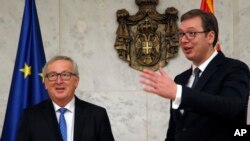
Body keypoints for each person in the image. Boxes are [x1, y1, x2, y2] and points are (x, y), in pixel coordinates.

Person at [139, 9, 250, 141]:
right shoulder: (180, 79)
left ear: (210, 37)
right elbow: (175, 131)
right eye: (181, 34)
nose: (184, 40)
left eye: (191, 33)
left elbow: (230, 108)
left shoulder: (235, 69)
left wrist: (179, 93)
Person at [17, 55, 115, 141]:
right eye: (52, 75)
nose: (59, 81)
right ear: (45, 83)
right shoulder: (31, 116)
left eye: (65, 75)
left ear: (76, 81)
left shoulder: (97, 115)